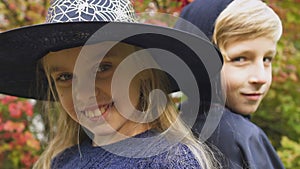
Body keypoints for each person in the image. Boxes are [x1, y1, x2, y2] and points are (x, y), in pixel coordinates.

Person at [0, 0, 224, 169]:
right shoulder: (63, 161)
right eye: (65, 78)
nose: (84, 92)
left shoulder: (169, 161)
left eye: (102, 68)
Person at [176, 0, 285, 168]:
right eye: (240, 59)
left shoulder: (176, 124)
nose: (261, 77)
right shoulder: (238, 137)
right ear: (198, 62)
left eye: (267, 59)